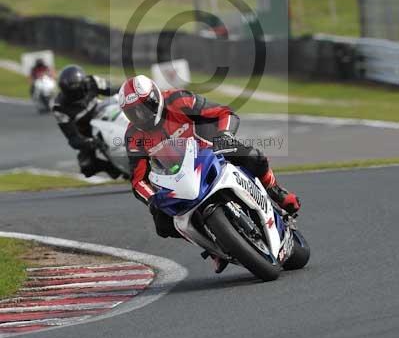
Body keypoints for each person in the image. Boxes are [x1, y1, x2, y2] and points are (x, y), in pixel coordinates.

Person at [119, 74, 301, 273]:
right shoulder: (134, 136)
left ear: (155, 97)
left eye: (144, 107)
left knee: (252, 156)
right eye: (133, 113)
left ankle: (276, 191)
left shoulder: (179, 100)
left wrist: (224, 135)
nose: (141, 115)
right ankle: (213, 248)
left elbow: (224, 113)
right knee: (163, 223)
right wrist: (152, 199)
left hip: (212, 150)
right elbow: (138, 179)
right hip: (178, 175)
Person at [53, 65, 120, 178]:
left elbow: (114, 90)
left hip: (104, 114)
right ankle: (114, 168)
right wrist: (89, 142)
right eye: (72, 93)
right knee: (86, 166)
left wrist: (129, 91)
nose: (77, 95)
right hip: (86, 131)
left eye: (79, 90)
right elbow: (72, 137)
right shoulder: (59, 108)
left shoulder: (93, 81)